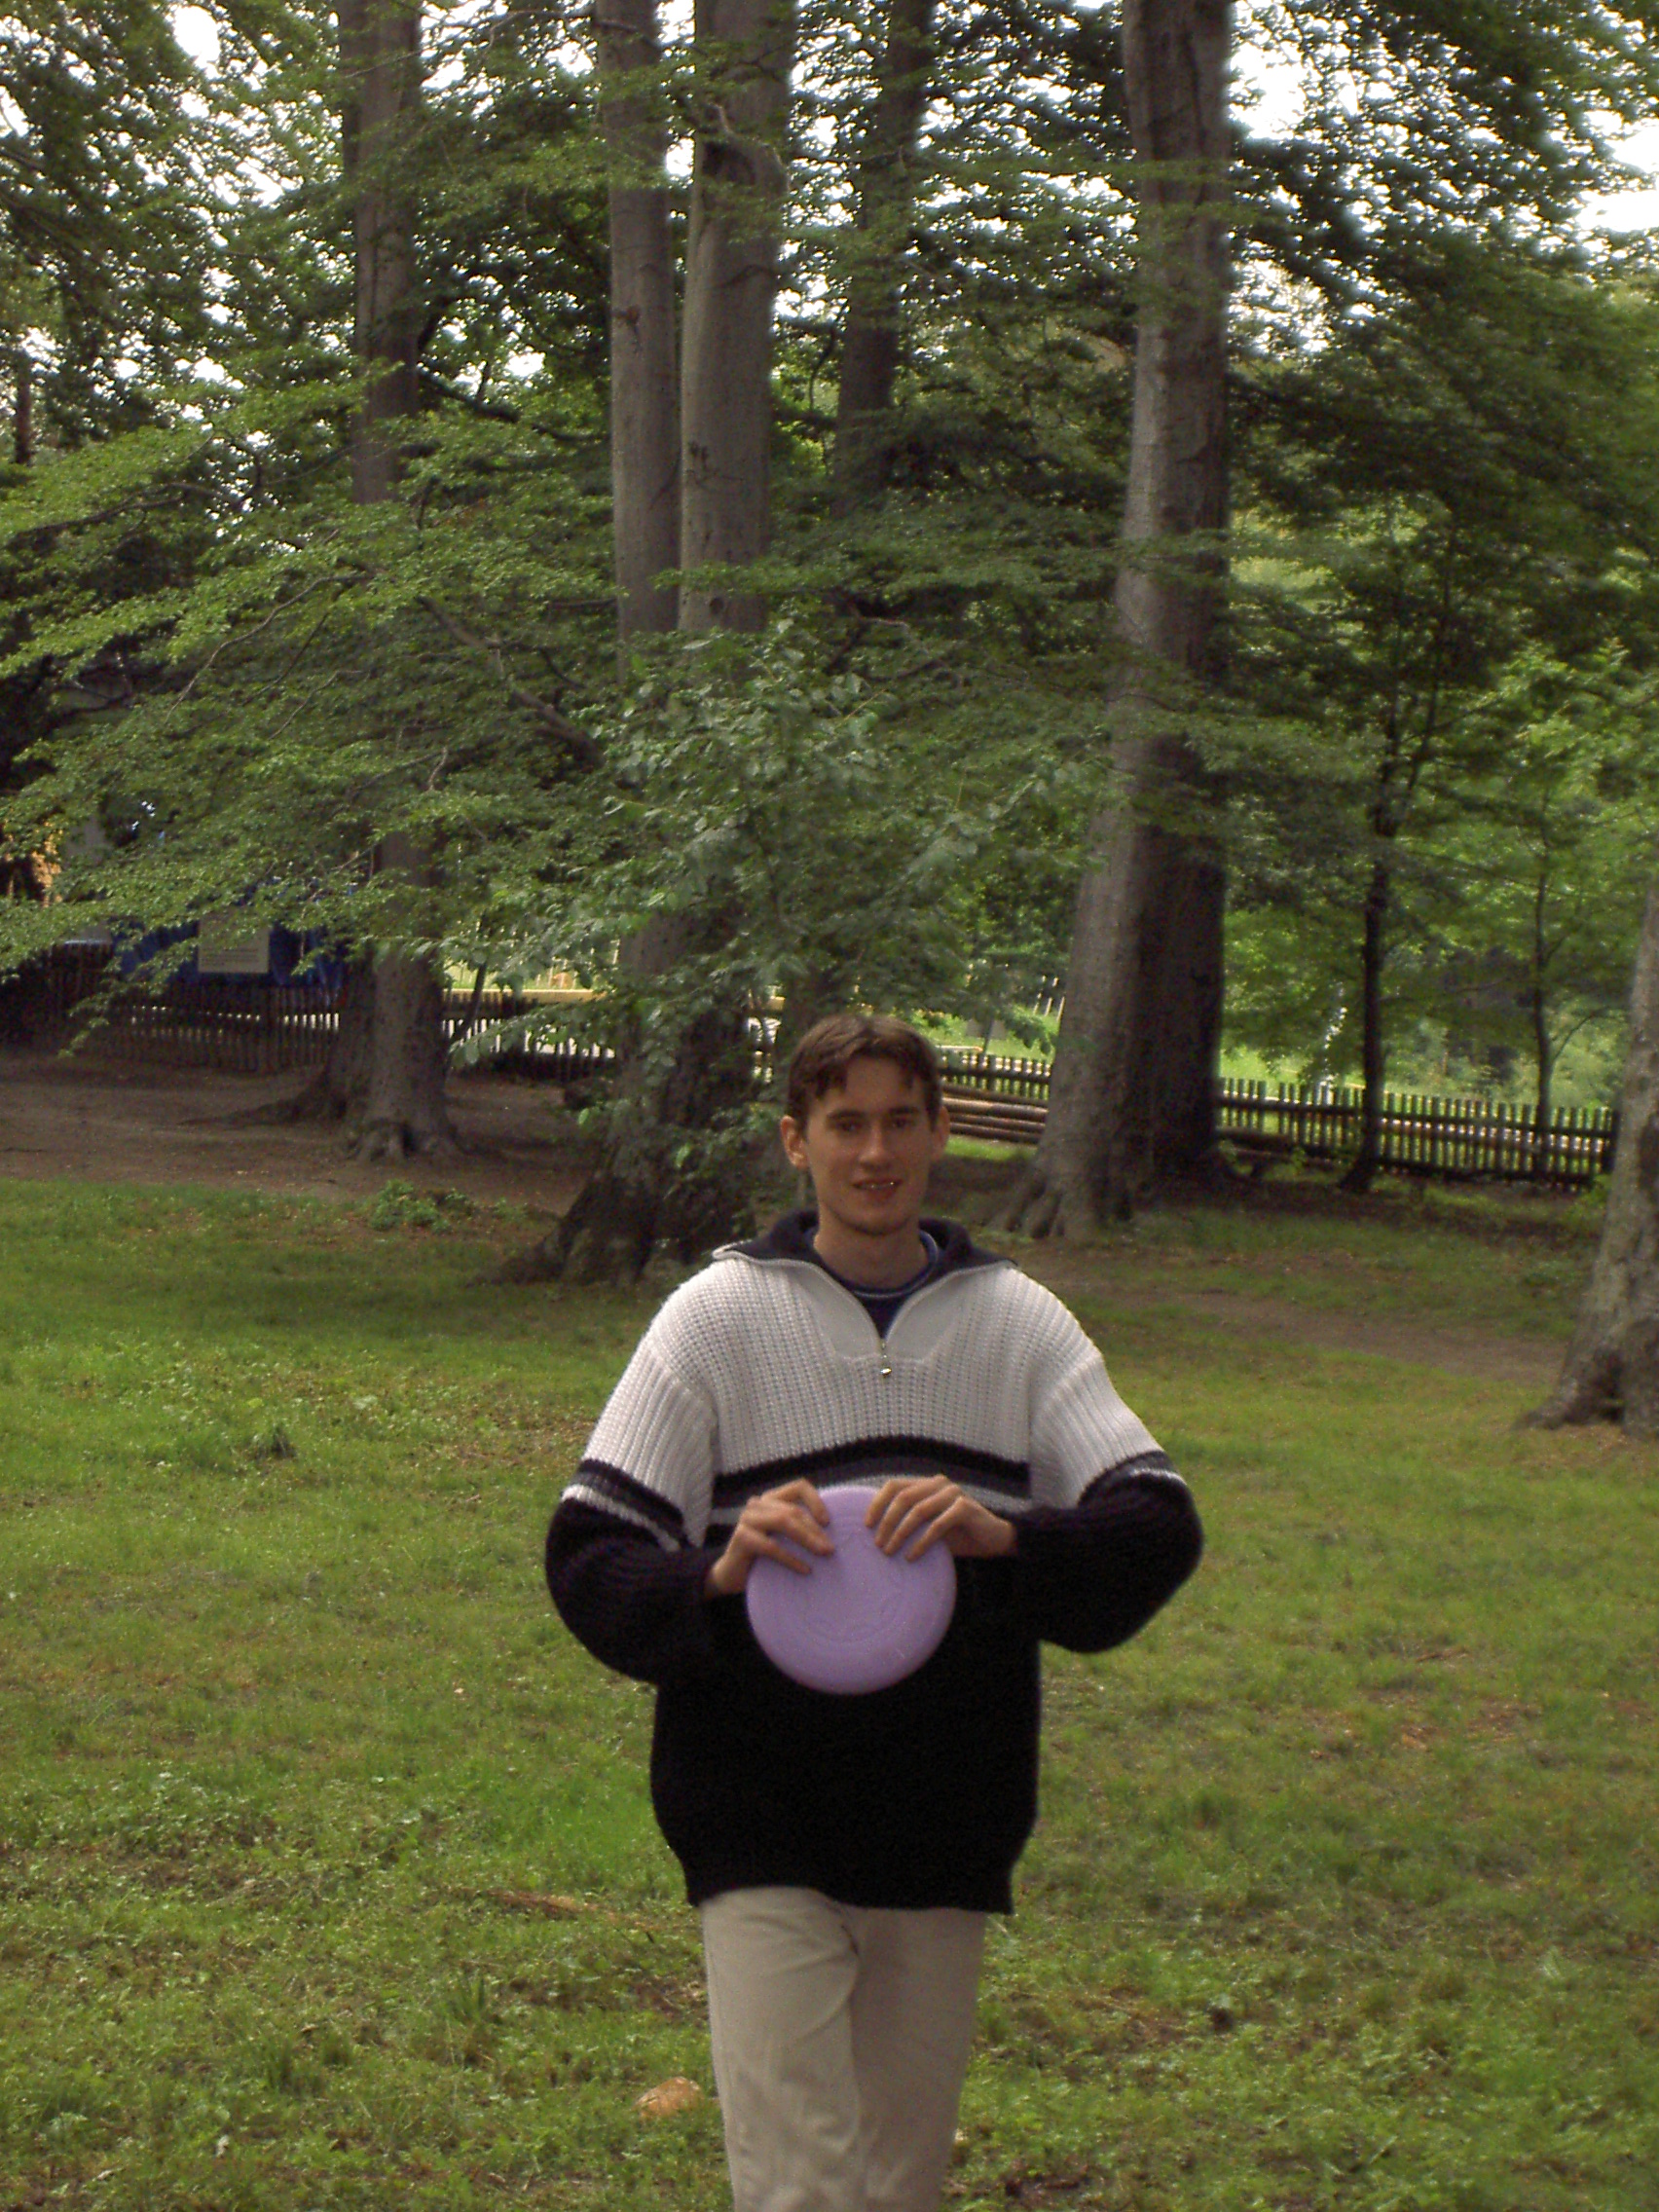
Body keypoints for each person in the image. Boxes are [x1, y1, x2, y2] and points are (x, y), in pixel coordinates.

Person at [545, 1013, 1202, 2212]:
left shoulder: (1016, 1324)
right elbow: (589, 1554)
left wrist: (1007, 1537)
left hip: (944, 1824)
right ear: (796, 1141)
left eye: (902, 1120)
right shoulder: (717, 1319)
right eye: (845, 1123)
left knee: (898, 2186)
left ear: (943, 1131)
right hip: (758, 1823)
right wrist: (719, 1571)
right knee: (800, 2186)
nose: (875, 1152)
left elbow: (1158, 1526)